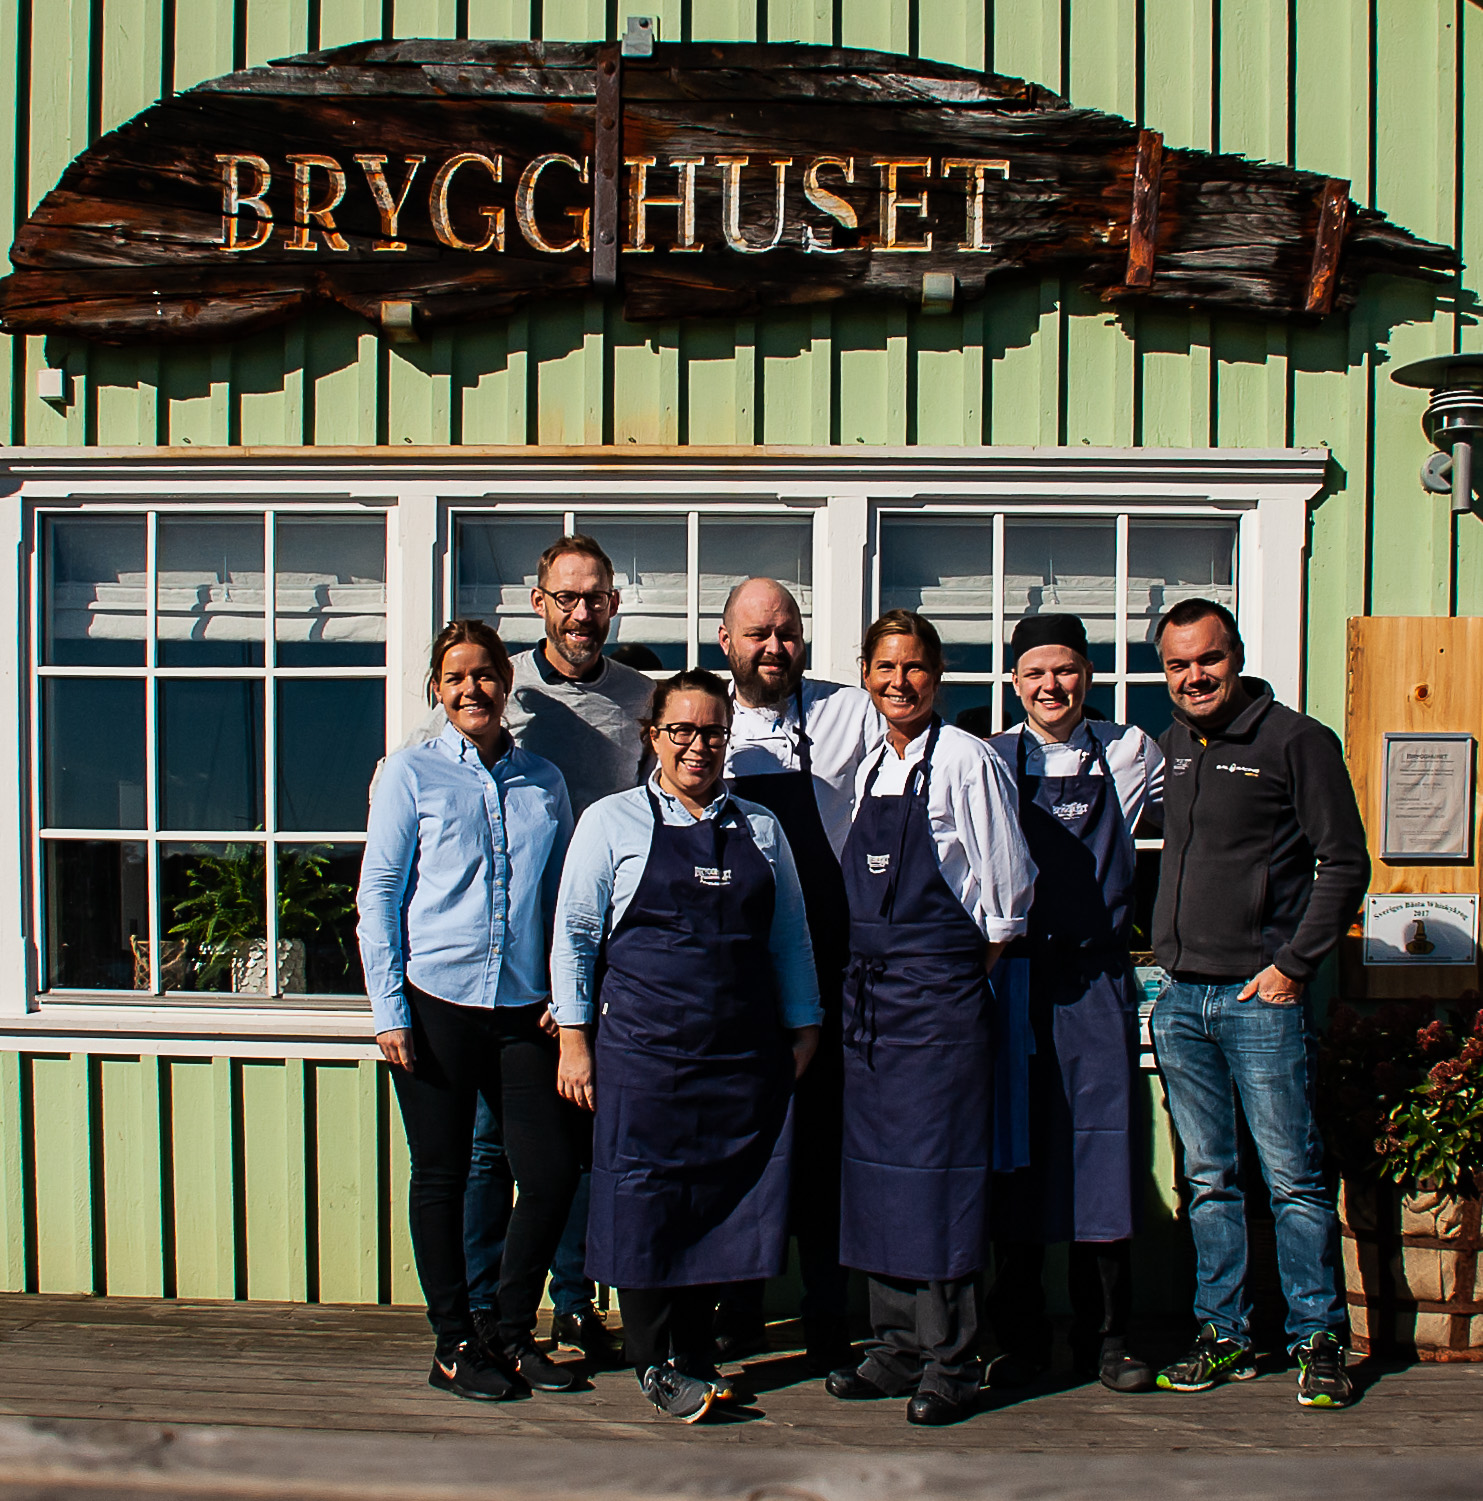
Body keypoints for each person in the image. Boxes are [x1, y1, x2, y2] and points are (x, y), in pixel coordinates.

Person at [550, 669, 823, 1421]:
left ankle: (696, 1351)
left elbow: (789, 937)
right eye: (681, 730)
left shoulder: (761, 828)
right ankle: (654, 1359)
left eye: (711, 731)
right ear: (653, 737)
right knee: (644, 1199)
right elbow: (573, 937)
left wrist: (805, 1024)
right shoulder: (610, 822)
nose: (696, 745)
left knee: (717, 1200)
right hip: (641, 1050)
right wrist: (574, 1037)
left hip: (738, 1054)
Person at [1149, 598, 1369, 1410]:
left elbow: (1343, 863)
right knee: (1208, 1180)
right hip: (1181, 1000)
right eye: (1176, 665)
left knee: (1292, 1177)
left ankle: (1318, 1337)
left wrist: (1290, 967)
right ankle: (1227, 1333)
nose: (1192, 676)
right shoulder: (1173, 745)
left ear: (1234, 656)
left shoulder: (1295, 740)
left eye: (1206, 659)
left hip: (1257, 999)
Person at [356, 619, 582, 1401]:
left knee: (550, 1174)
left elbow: (559, 902)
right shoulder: (409, 774)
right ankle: (454, 1342)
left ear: (506, 682)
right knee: (443, 1175)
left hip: (523, 1009)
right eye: (455, 678)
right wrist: (388, 1007)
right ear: (436, 689)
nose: (472, 689)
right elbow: (379, 894)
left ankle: (510, 1330)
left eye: (484, 674)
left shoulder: (544, 780)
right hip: (435, 1001)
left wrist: (567, 993)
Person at [826, 609, 1036, 1426]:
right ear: (866, 674)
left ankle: (952, 1355)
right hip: (868, 1006)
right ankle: (894, 1344)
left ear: (936, 675)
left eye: (913, 668)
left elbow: (1007, 896)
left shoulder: (966, 761)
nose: (898, 682)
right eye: (884, 667)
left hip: (939, 1004)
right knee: (877, 1176)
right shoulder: (865, 767)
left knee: (941, 1177)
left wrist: (941, 975)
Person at [460, 535, 654, 1368]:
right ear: (535, 601)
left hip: (599, 951)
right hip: (499, 958)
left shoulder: (642, 696)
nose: (582, 614)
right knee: (488, 1145)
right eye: (565, 598)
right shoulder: (500, 687)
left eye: (596, 597)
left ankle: (574, 1303)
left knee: (577, 1141)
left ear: (614, 601)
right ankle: (481, 1308)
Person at [985, 613, 1164, 1394]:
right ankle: (1019, 1337)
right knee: (1018, 1157)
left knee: (1104, 1156)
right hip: (1019, 978)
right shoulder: (990, 759)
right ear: (1013, 682)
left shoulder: (1131, 751)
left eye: (1065, 671)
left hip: (1096, 980)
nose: (1050, 686)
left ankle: (1109, 1337)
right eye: (1034, 673)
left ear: (1086, 675)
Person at [714, 576, 884, 1372]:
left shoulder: (847, 711)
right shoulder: (703, 721)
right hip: (733, 964)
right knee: (739, 1144)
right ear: (726, 643)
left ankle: (826, 1317)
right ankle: (735, 1312)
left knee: (821, 1152)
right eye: (757, 635)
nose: (773, 647)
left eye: (785, 632)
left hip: (828, 954)